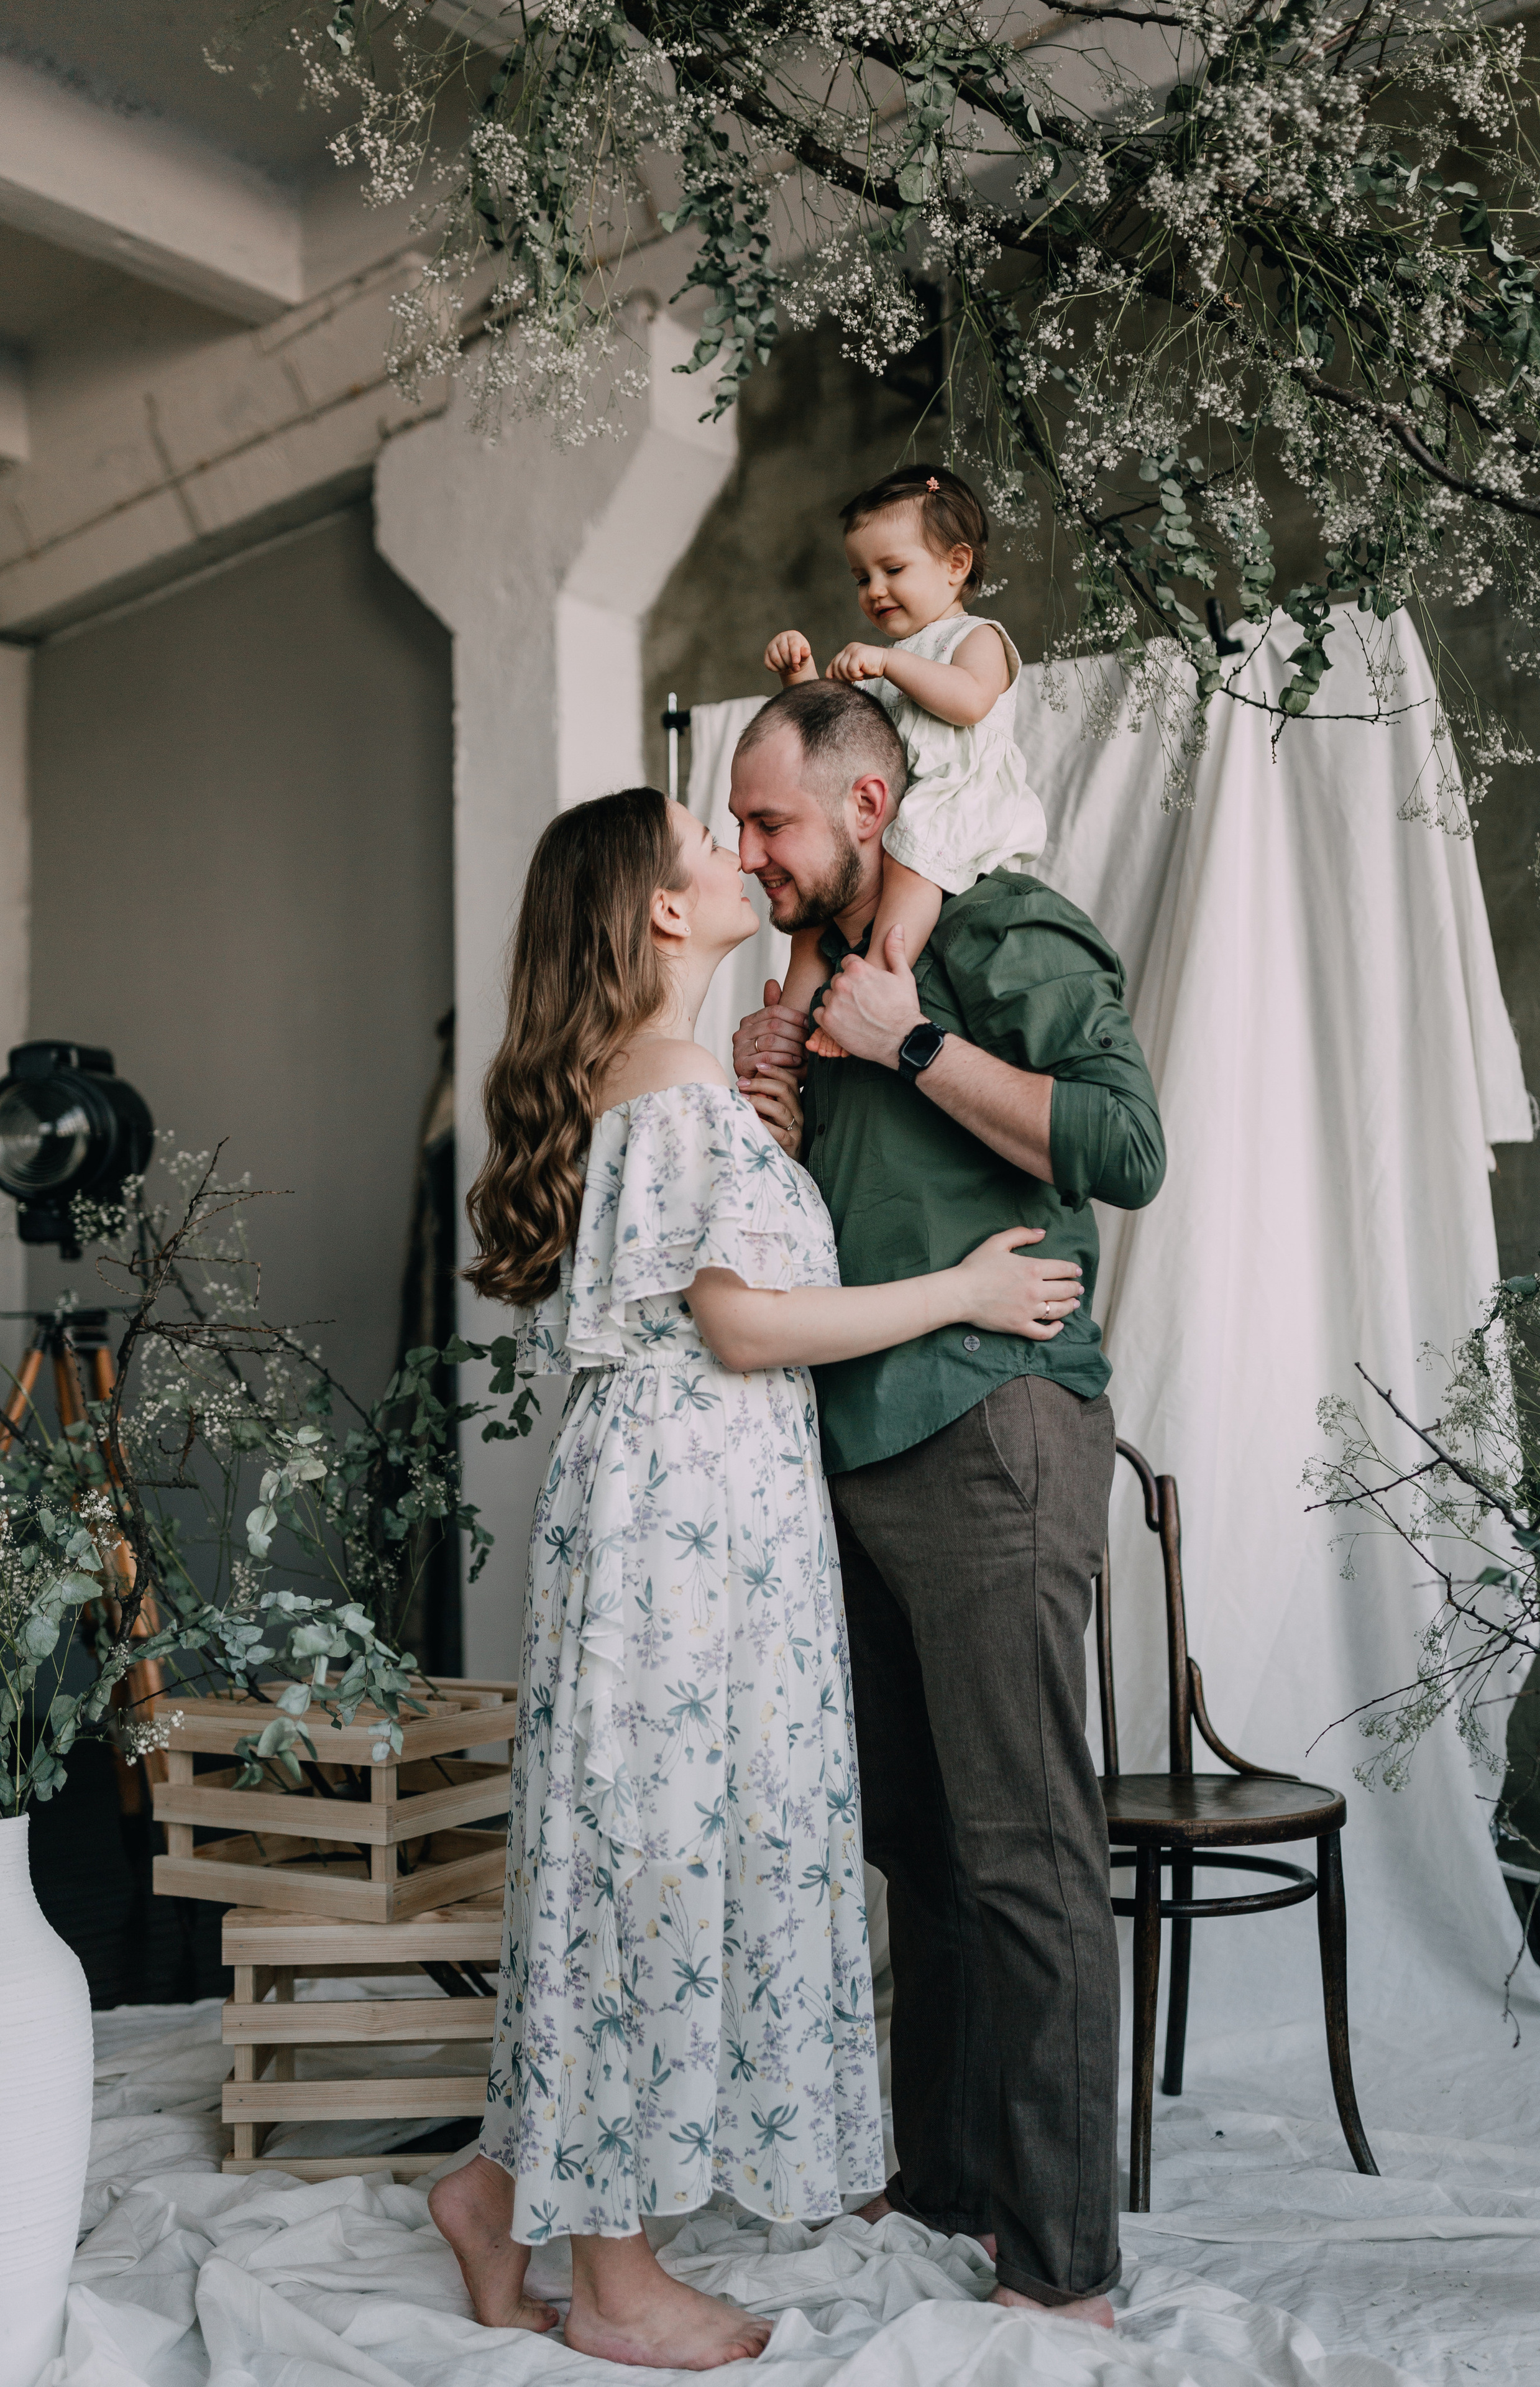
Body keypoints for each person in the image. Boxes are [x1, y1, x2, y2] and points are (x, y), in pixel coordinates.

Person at [428, 784, 1086, 2370]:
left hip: (686, 1502)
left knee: (634, 1841)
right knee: (648, 1856)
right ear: (663, 911)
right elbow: (738, 1322)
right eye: (710, 849)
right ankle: (615, 2277)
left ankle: (502, 2186)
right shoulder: (666, 1087)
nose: (741, 860)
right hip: (687, 1517)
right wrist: (961, 1288)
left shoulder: (667, 1072)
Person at [730, 683, 1166, 2324]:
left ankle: (1065, 2274)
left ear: (862, 807)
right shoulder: (820, 977)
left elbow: (1123, 1147)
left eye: (768, 820)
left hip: (995, 1434)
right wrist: (775, 1109)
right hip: (855, 1454)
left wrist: (909, 1040)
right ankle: (946, 2183)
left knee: (1026, 1853)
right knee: (921, 1846)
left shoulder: (1004, 934)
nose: (747, 850)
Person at [763, 464, 1047, 1058]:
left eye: (892, 570)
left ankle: (876, 985)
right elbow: (831, 739)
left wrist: (891, 666)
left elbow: (970, 702)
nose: (874, 590)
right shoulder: (885, 661)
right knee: (821, 884)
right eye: (860, 577)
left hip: (955, 801)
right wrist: (799, 675)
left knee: (914, 845)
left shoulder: (975, 637)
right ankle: (785, 1035)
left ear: (956, 565)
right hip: (893, 809)